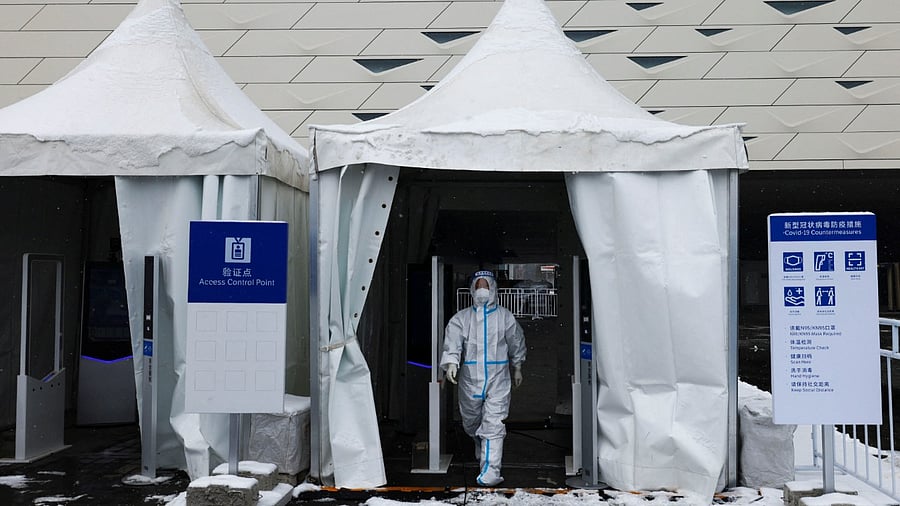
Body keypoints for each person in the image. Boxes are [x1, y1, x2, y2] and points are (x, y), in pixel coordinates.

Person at [440, 270, 526, 486]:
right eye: (478, 285)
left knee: (494, 422)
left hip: (498, 378)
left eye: (485, 285)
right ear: (471, 289)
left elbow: (516, 342)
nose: (482, 290)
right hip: (470, 379)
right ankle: (479, 440)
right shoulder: (462, 318)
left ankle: (490, 472)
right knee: (471, 421)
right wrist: (451, 361)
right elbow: (453, 342)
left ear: (493, 288)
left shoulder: (505, 316)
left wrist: (517, 366)